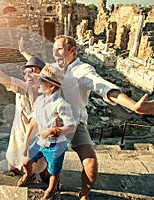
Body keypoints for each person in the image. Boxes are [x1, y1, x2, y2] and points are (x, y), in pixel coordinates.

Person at [19, 35, 154, 200]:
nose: (55, 53)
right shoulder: (54, 68)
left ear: (72, 50)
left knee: (91, 165)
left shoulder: (83, 70)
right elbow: (40, 65)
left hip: (74, 124)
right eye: (54, 49)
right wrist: (24, 52)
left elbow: (101, 85)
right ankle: (46, 182)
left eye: (59, 49)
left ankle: (84, 192)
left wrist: (133, 105)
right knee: (45, 170)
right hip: (50, 124)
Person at [0, 41, 49, 177]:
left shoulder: (48, 94)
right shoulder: (23, 87)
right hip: (20, 133)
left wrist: (27, 144)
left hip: (38, 136)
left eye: (31, 71)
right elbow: (1, 76)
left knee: (41, 168)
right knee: (13, 166)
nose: (27, 74)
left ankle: (46, 181)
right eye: (25, 71)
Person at [17, 64, 76, 200]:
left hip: (56, 145)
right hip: (41, 142)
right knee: (26, 162)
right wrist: (26, 143)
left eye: (42, 81)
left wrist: (53, 130)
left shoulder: (61, 104)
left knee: (54, 171)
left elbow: (71, 127)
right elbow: (34, 120)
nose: (38, 82)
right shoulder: (39, 100)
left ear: (52, 86)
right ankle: (29, 176)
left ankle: (51, 191)